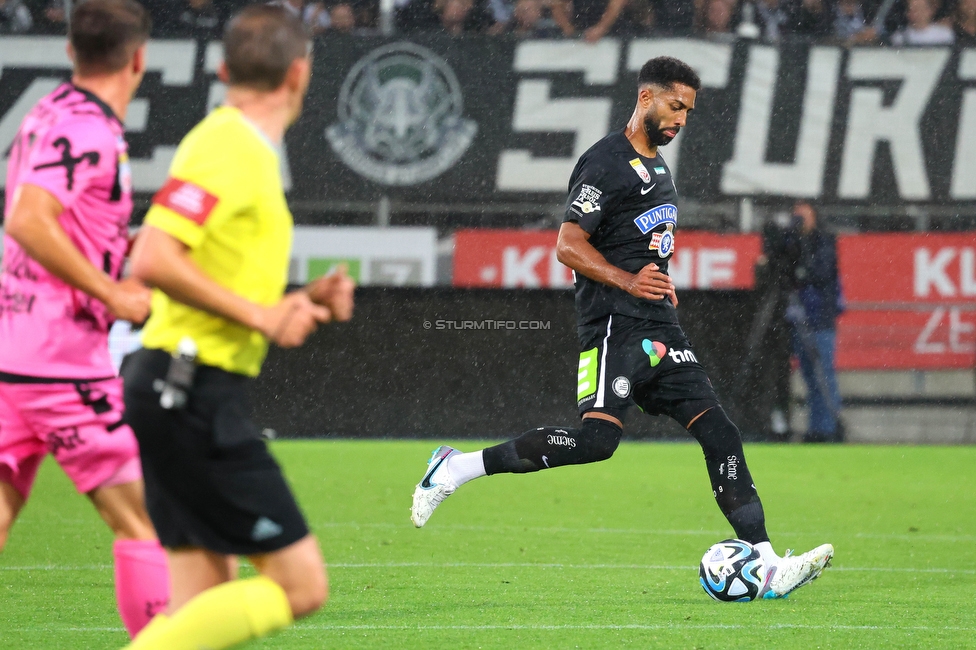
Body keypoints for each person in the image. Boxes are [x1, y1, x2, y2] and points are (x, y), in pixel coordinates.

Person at [411, 56, 833, 600]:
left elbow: (641, 242)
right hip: (613, 326)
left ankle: (769, 562)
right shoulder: (606, 161)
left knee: (720, 431)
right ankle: (456, 468)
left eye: (689, 111)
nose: (682, 118)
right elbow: (567, 244)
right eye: (675, 105)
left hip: (660, 326)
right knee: (595, 441)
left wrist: (658, 278)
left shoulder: (659, 166)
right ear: (645, 98)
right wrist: (627, 282)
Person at [119, 5, 354, 649]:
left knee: (207, 605)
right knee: (302, 586)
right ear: (300, 74)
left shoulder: (232, 144)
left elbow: (207, 274)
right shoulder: (232, 146)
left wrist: (300, 299)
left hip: (176, 383)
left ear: (223, 70)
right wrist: (264, 315)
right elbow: (153, 256)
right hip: (189, 388)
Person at [0, 0, 168, 638]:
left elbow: (55, 222)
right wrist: (114, 292)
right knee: (143, 524)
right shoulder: (89, 132)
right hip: (59, 364)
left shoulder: (48, 112)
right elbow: (27, 218)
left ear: (71, 52)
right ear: (139, 59)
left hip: (10, 351)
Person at [788, 201, 843, 443]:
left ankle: (827, 428)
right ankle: (816, 427)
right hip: (798, 318)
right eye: (796, 216)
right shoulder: (791, 243)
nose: (800, 221)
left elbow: (820, 272)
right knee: (810, 377)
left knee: (823, 375)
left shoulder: (824, 241)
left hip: (820, 319)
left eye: (804, 216)